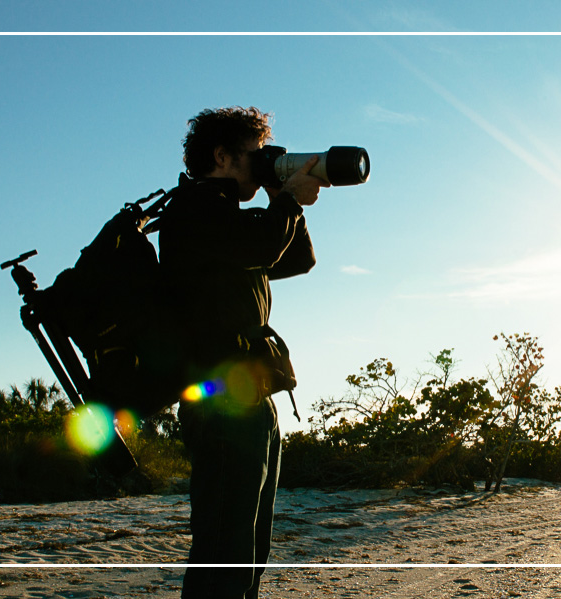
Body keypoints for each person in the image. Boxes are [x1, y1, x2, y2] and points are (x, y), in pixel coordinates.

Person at [158, 106, 329, 598]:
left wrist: (283, 197)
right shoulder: (193, 209)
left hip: (251, 394)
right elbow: (260, 247)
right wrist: (289, 202)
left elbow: (298, 259)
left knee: (250, 543)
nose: (262, 162)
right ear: (221, 155)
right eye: (254, 155)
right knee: (223, 545)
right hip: (220, 397)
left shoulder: (228, 218)